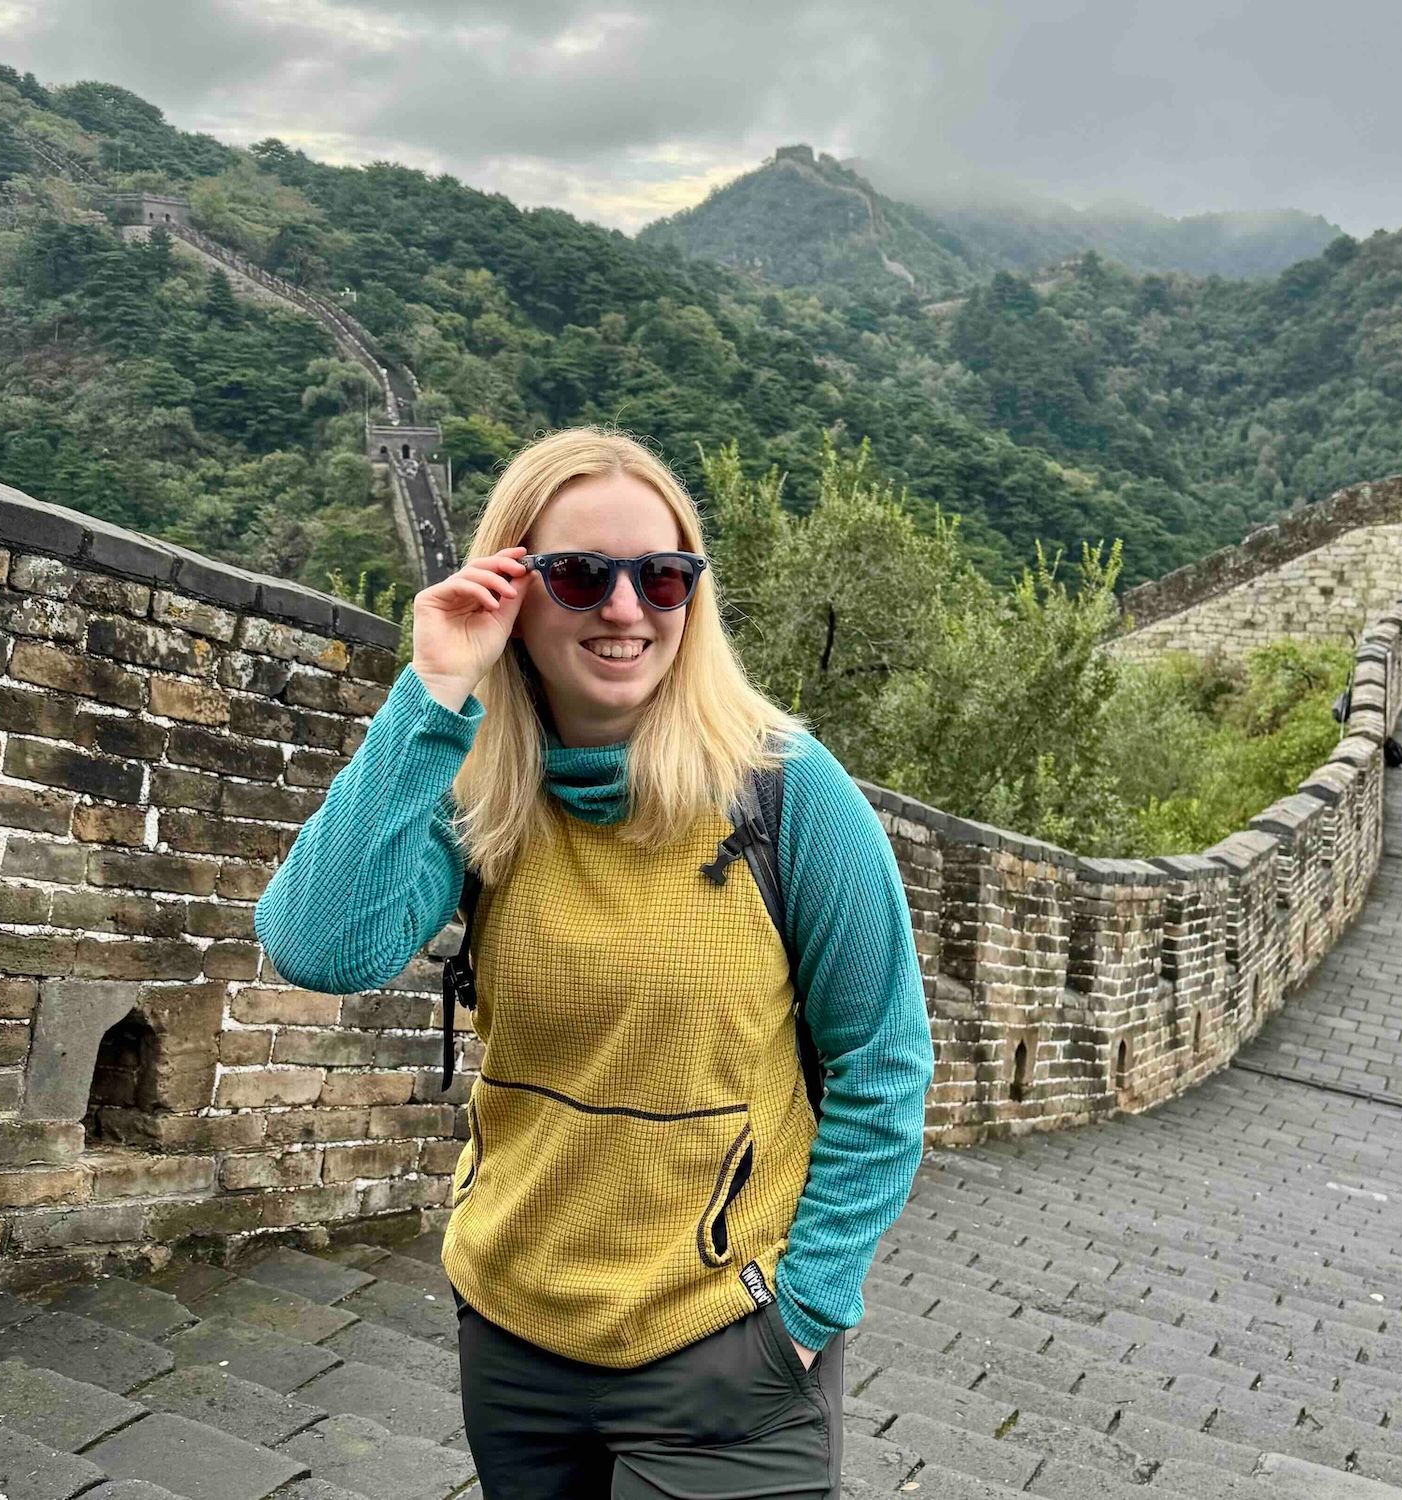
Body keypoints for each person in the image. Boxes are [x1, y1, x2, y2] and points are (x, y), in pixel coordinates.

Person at [255, 426, 935, 1499]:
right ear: (512, 587)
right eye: (578, 575)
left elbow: (884, 1060)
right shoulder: (478, 791)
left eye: (662, 578)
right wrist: (430, 692)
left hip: (726, 1346)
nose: (625, 609)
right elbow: (319, 946)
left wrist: (804, 1311)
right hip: (517, 1337)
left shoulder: (786, 792)